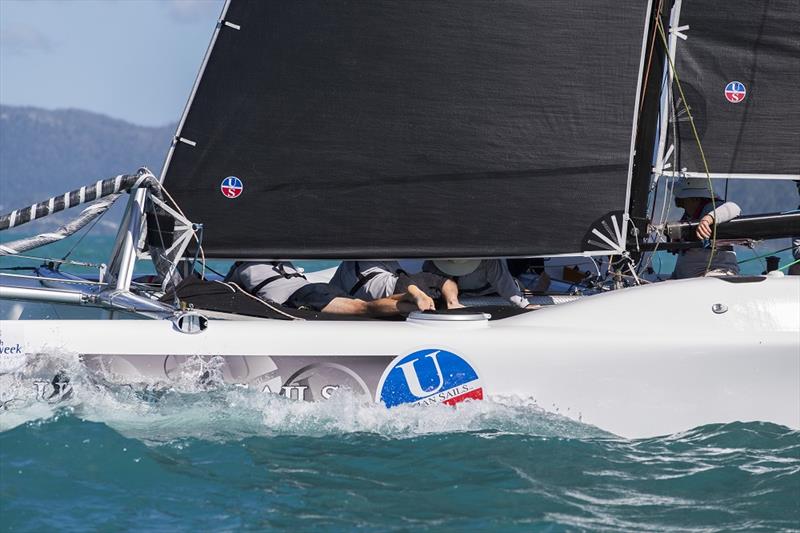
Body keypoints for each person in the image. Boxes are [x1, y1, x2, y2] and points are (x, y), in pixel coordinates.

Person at [227, 261, 433, 316]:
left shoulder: (243, 267)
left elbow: (224, 290)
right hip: (314, 288)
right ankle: (409, 295)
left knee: (363, 310)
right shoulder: (281, 261)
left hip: (302, 297)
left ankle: (412, 303)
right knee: (363, 305)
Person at [670, 178, 741, 279]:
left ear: (694, 199)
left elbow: (734, 208)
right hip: (688, 279)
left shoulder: (712, 208)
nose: (680, 202)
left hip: (713, 275)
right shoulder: (690, 215)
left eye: (683, 199)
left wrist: (707, 219)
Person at [331, 261, 463, 309]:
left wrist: (452, 301)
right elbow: (435, 281)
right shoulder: (364, 275)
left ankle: (415, 293)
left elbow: (438, 280)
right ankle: (415, 293)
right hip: (355, 287)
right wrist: (453, 301)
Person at [423, 259, 537, 309]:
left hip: (495, 293)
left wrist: (524, 305)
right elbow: (429, 284)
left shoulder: (489, 261)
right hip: (458, 299)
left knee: (521, 286)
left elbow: (504, 283)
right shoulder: (433, 265)